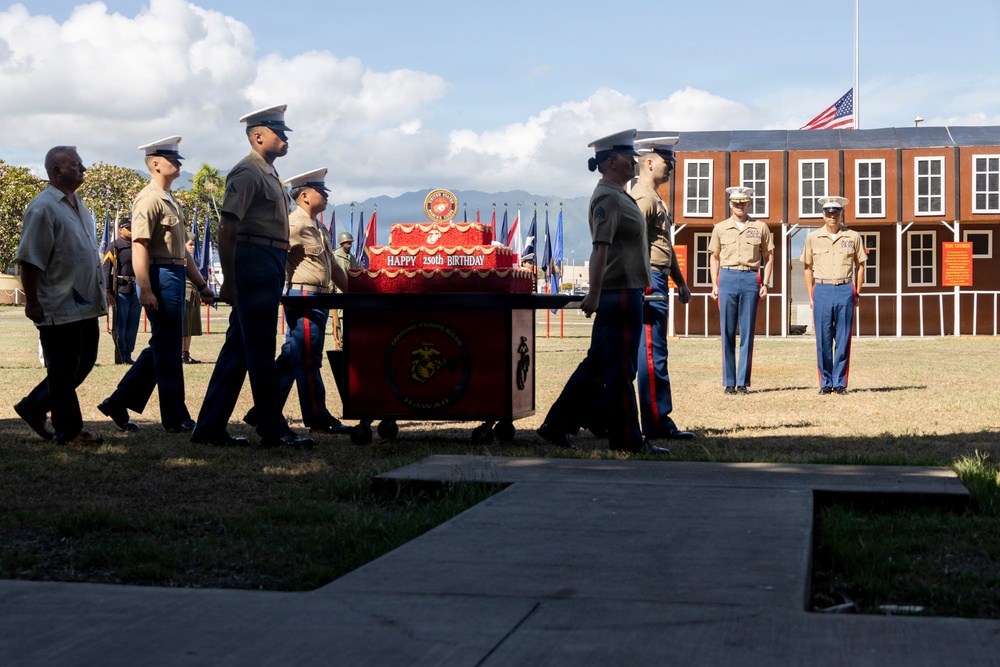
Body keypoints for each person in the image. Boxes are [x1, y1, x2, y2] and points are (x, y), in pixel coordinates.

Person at [537, 129, 667, 455]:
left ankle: (556, 425)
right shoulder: (608, 197)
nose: (635, 162)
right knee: (621, 370)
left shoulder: (619, 194)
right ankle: (626, 439)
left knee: (598, 364)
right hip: (619, 292)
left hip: (626, 290)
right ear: (611, 162)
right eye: (628, 157)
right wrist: (593, 293)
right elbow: (599, 248)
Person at [191, 104, 314, 449]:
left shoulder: (268, 174)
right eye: (279, 133)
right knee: (260, 348)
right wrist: (229, 280)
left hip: (267, 259)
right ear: (258, 136)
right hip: (254, 262)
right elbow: (228, 226)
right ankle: (273, 430)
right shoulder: (248, 172)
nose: (286, 138)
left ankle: (209, 427)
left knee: (240, 351)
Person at [98, 137, 215, 434]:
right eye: (171, 159)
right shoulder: (148, 199)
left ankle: (118, 401)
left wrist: (200, 284)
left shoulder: (170, 199)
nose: (178, 163)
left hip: (173, 273)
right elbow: (140, 247)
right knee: (168, 348)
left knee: (164, 345)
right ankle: (175, 417)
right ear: (155, 163)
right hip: (160, 276)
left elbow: (182, 254)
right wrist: (146, 288)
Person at [245, 168, 351, 435]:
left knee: (291, 358)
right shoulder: (293, 224)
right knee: (307, 360)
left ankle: (260, 412)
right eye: (321, 191)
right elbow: (273, 256)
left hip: (319, 297)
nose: (326, 195)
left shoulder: (319, 226)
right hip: (303, 298)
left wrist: (353, 293)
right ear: (304, 196)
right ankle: (318, 418)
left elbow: (334, 269)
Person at [13, 146, 106, 445]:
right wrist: (32, 302)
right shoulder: (43, 208)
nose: (83, 169)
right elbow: (29, 259)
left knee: (83, 363)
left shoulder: (78, 204)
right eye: (76, 165)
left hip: (84, 303)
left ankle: (34, 405)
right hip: (58, 303)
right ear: (57, 171)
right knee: (64, 370)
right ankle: (69, 431)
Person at [632, 137, 695, 440]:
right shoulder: (643, 198)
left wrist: (680, 282)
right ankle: (657, 422)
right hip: (648, 279)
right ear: (649, 162)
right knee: (651, 353)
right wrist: (644, 282)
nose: (670, 168)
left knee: (656, 351)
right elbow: (636, 244)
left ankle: (658, 418)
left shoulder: (655, 198)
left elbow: (664, 247)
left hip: (658, 276)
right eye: (666, 162)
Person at [709, 185, 774, 394]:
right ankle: (729, 382)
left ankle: (743, 382)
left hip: (750, 278)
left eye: (743, 203)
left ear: (749, 204)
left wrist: (765, 283)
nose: (739, 206)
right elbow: (714, 257)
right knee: (727, 331)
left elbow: (769, 256)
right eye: (735, 203)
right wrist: (715, 283)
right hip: (727, 277)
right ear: (730, 204)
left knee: (747, 332)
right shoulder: (720, 228)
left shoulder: (761, 227)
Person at [801, 196, 866, 394]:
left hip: (845, 288)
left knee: (843, 338)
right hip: (822, 289)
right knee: (823, 338)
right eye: (829, 213)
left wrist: (857, 292)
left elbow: (861, 266)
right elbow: (807, 267)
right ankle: (825, 383)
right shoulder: (812, 237)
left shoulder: (853, 236)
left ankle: (840, 383)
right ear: (823, 215)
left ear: (841, 214)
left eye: (836, 213)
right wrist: (811, 295)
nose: (832, 217)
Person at [104, 215, 140, 365]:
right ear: (120, 230)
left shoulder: (138, 245)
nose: (132, 231)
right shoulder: (115, 246)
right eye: (129, 228)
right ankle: (121, 354)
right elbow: (106, 268)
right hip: (121, 290)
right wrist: (107, 291)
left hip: (136, 289)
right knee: (121, 324)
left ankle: (128, 354)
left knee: (133, 325)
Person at [331, 230, 356, 347]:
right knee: (339, 320)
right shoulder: (335, 256)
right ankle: (342, 344)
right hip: (339, 293)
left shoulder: (351, 257)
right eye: (347, 242)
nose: (350, 244)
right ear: (342, 243)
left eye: (350, 242)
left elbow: (356, 272)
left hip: (351, 293)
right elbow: (332, 276)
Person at [182, 232, 203, 364]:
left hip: (194, 295)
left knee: (189, 327)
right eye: (190, 244)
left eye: (194, 245)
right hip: (186, 294)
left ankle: (186, 353)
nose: (193, 247)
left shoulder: (192, 260)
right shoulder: (182, 259)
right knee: (183, 326)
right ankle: (180, 353)